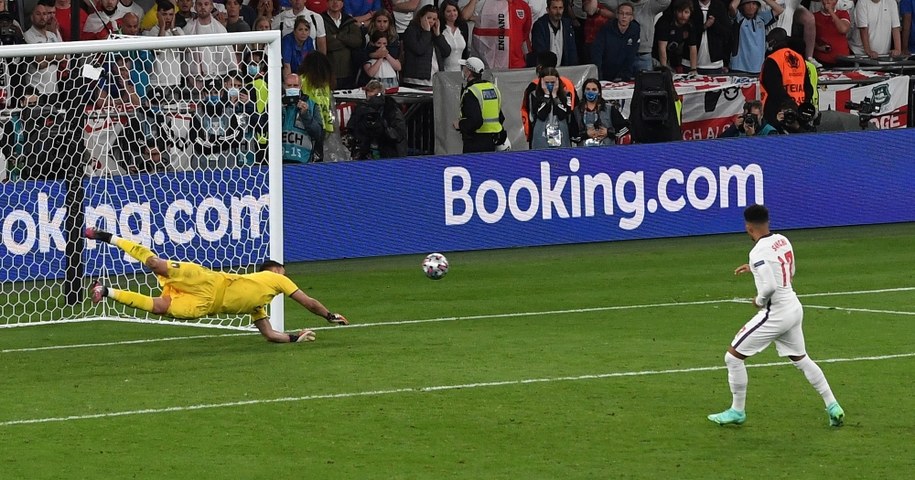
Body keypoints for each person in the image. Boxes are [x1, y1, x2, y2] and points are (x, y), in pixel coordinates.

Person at [84, 227, 349, 343]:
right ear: (275, 270)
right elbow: (308, 302)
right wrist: (329, 315)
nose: (285, 273)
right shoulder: (276, 278)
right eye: (282, 269)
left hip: (206, 305)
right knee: (156, 264)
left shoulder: (258, 305)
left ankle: (105, 291)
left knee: (160, 307)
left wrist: (294, 338)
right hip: (209, 279)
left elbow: (269, 334)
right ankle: (106, 237)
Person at [707, 204, 845, 427]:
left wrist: (758, 300)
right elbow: (788, 270)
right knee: (801, 359)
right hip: (793, 306)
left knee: (732, 357)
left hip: (776, 313)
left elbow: (770, 285)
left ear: (748, 227)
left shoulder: (758, 251)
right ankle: (833, 405)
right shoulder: (782, 240)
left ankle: (737, 410)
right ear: (768, 222)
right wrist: (754, 268)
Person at [758, 27, 812, 127]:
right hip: (800, 110)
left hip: (779, 112)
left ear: (772, 42)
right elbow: (808, 87)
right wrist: (804, 106)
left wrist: (789, 105)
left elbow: (774, 89)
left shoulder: (772, 59)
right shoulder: (799, 57)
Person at [453, 57, 506, 153]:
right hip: (493, 139)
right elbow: (500, 117)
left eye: (464, 68)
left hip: (476, 141)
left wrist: (460, 125)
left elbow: (475, 121)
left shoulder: (471, 92)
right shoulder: (492, 88)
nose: (463, 71)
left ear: (469, 72)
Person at [461, 0, 533, 69]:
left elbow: (525, 35)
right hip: (487, 64)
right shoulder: (483, 3)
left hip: (517, 64)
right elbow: (465, 16)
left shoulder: (523, 6)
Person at [347, 79, 408, 159]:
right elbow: (352, 128)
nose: (371, 100)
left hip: (390, 154)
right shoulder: (362, 109)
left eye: (374, 97)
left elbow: (398, 134)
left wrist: (383, 127)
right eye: (368, 97)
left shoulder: (392, 110)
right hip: (368, 153)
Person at [401, 5, 450, 88]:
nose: (431, 21)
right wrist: (426, 32)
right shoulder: (411, 31)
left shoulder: (434, 33)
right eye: (429, 18)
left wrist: (438, 35)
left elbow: (446, 52)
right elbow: (419, 49)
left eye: (434, 19)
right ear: (421, 17)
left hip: (434, 80)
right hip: (416, 80)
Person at [727, 0, 780, 75]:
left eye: (754, 4)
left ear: (758, 6)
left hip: (758, 67)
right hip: (739, 67)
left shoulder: (762, 18)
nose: (751, 7)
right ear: (742, 6)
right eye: (747, 4)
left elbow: (779, 9)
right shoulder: (739, 18)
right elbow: (732, 7)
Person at [591, 1, 640, 81]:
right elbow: (597, 53)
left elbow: (631, 55)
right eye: (621, 13)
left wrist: (624, 77)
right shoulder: (606, 28)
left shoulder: (635, 29)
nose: (624, 16)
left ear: (632, 17)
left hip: (623, 72)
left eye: (627, 14)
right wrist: (599, 76)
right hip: (605, 69)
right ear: (617, 15)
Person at [570, 78, 628, 146]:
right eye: (588, 89)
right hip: (584, 152)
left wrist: (608, 132)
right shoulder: (577, 111)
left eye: (594, 89)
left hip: (606, 151)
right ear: (584, 91)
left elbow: (625, 129)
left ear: (599, 92)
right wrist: (586, 134)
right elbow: (572, 135)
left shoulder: (610, 109)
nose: (590, 92)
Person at [280, 73, 323, 163]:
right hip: (279, 161)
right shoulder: (275, 104)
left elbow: (318, 134)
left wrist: (305, 115)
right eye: (289, 85)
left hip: (303, 161)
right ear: (284, 86)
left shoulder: (312, 105)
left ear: (301, 86)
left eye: (295, 85)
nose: (292, 88)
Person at [527, 66, 574, 149]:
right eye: (546, 82)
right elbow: (541, 115)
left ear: (558, 81)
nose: (550, 85)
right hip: (541, 135)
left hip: (561, 134)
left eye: (553, 82)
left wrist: (555, 96)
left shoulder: (567, 95)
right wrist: (546, 95)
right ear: (541, 81)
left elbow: (563, 115)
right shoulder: (534, 95)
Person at [322, 0, 363, 89]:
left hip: (348, 71)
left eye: (338, 0)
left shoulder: (349, 21)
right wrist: (347, 42)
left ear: (343, 3)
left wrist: (338, 36)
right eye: (332, 0)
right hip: (328, 70)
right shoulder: (320, 20)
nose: (335, 2)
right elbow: (326, 44)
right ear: (327, 3)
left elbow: (357, 41)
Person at [653, 0, 698, 73]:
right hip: (655, 57)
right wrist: (664, 69)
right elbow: (662, 48)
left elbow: (693, 48)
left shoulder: (690, 25)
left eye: (686, 12)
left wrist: (693, 69)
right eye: (680, 12)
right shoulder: (665, 22)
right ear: (675, 12)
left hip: (671, 58)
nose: (683, 15)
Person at [686, 0, 731, 74]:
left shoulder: (719, 6)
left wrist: (714, 24)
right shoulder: (690, 4)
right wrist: (704, 26)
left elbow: (727, 33)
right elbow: (687, 32)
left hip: (714, 64)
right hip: (689, 63)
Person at [532, 0, 579, 67]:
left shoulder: (567, 25)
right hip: (545, 71)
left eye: (560, 8)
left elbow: (572, 52)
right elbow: (540, 52)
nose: (558, 12)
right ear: (548, 10)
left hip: (564, 70)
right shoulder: (540, 26)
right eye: (555, 8)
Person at [812, 0, 850, 68]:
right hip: (822, 60)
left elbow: (843, 29)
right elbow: (809, 39)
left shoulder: (843, 13)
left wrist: (831, 11)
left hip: (842, 59)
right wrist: (819, 48)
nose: (828, 1)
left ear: (836, 1)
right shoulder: (814, 16)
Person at [439, 0, 470, 72]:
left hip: (460, 71)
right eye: (448, 11)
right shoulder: (440, 28)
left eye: (454, 10)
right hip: (443, 71)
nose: (452, 13)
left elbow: (465, 52)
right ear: (443, 13)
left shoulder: (463, 27)